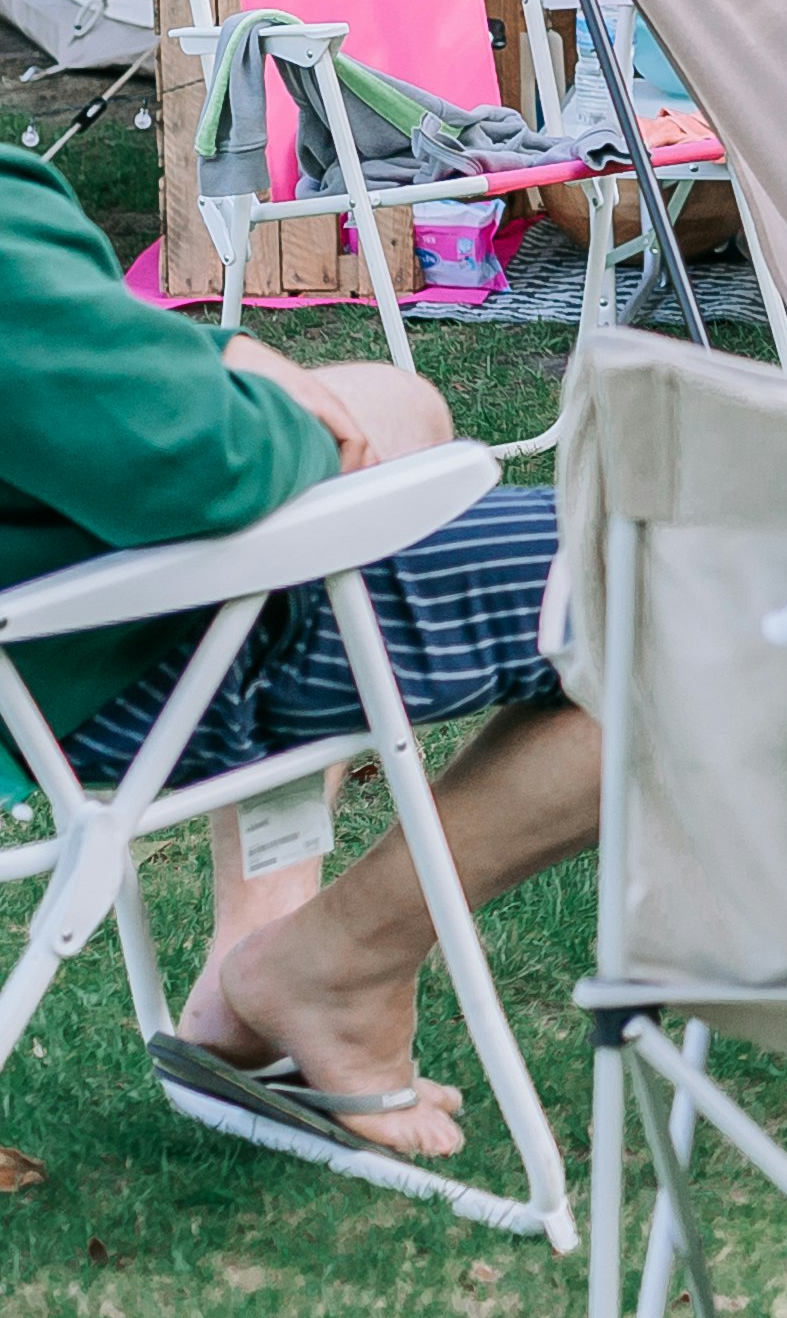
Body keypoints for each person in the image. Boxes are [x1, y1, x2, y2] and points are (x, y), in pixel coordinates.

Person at [1, 143, 593, 1163]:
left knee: (401, 406)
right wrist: (280, 414)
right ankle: (336, 962)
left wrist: (225, 356)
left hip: (51, 616)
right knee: (682, 577)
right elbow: (206, 464)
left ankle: (253, 948)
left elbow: (69, 362)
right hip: (90, 667)